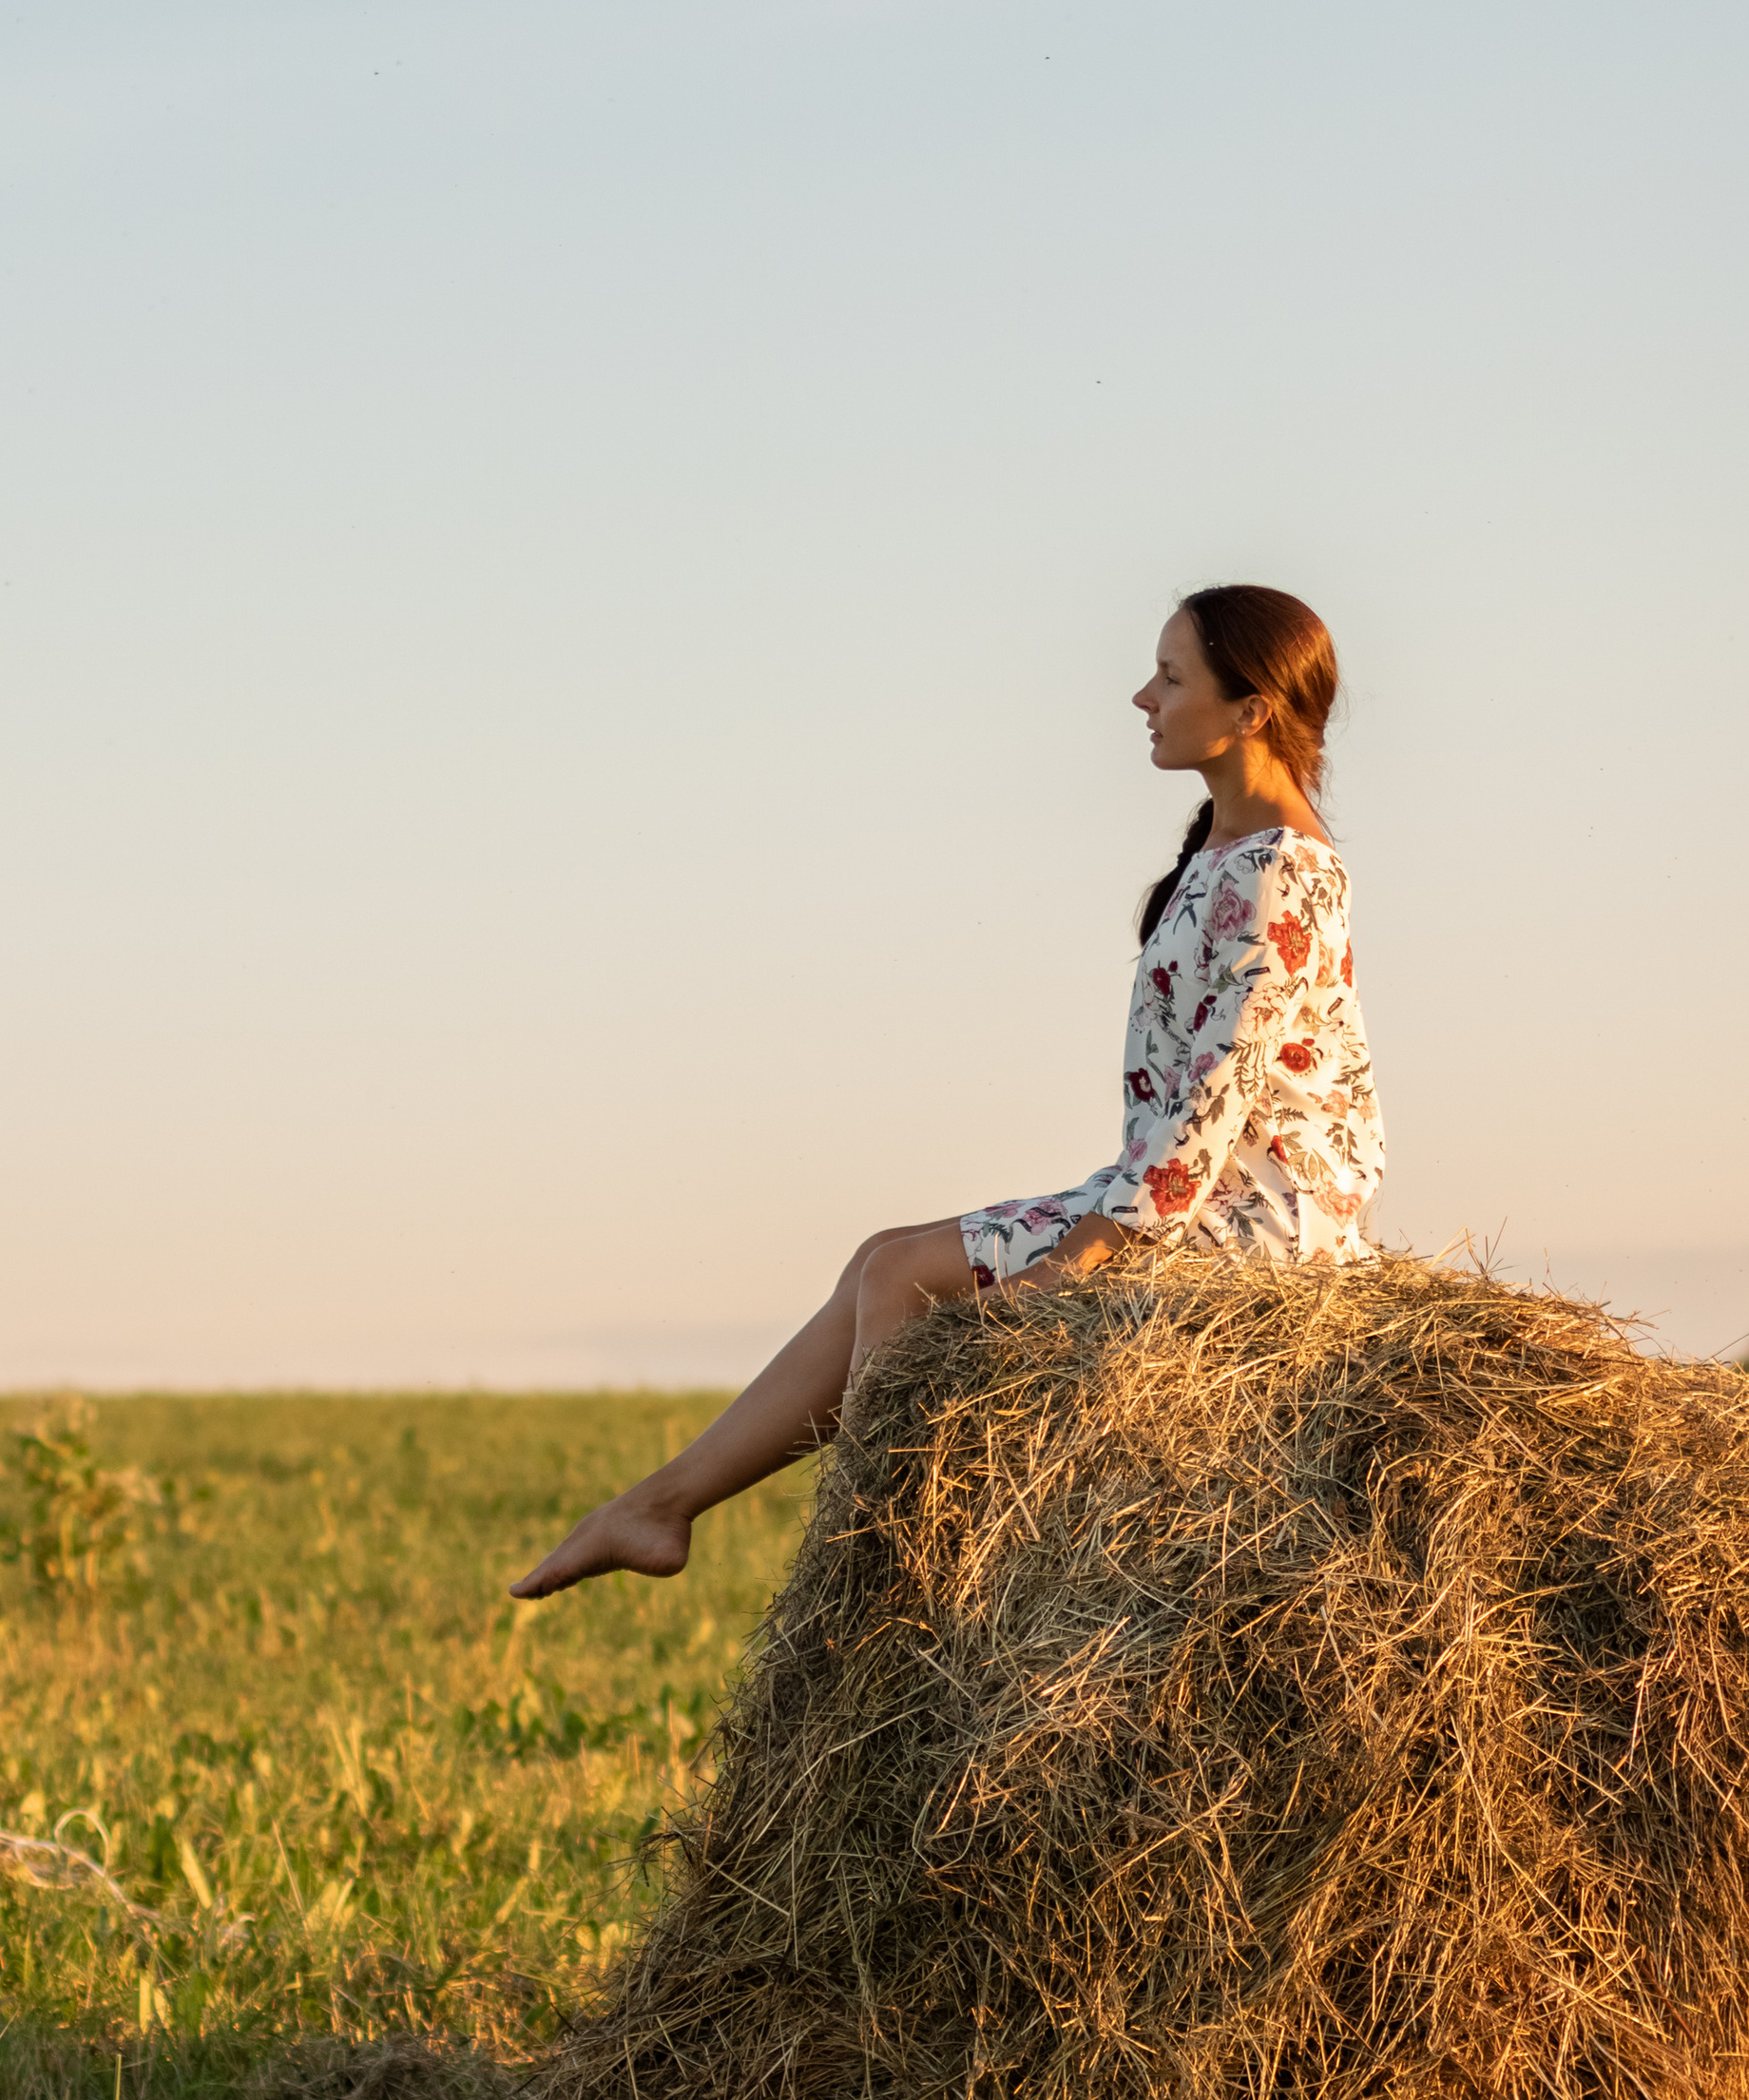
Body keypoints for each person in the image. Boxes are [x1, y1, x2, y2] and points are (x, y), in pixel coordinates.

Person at [510, 582, 1385, 1598]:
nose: (1141, 697)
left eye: (1170, 675)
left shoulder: (1285, 871)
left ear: (1252, 710)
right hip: (1177, 1199)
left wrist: (1083, 1255)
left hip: (1253, 1228)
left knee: (901, 1278)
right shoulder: (1225, 854)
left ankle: (869, 1584)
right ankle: (661, 1507)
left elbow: (1215, 1095)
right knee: (882, 1256)